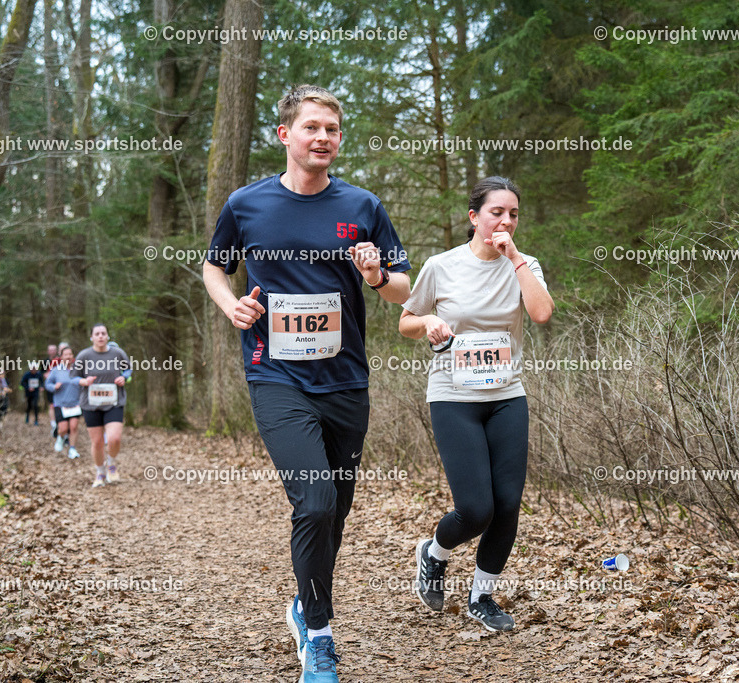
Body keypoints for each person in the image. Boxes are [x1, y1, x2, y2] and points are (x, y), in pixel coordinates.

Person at [203, 84, 411, 682]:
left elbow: (403, 287)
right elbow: (214, 265)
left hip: (345, 381)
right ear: (285, 135)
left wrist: (376, 276)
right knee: (314, 500)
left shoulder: (363, 206)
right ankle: (318, 634)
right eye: (313, 127)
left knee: (334, 512)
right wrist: (229, 305)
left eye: (333, 130)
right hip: (276, 374)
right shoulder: (247, 204)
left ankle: (304, 602)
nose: (324, 138)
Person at [399, 176, 554, 632]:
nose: (505, 221)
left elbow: (542, 314)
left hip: (507, 395)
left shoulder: (525, 264)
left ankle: (481, 598)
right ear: (474, 218)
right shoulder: (441, 266)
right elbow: (406, 321)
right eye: (495, 213)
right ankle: (434, 552)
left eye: (513, 214)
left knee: (507, 505)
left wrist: (516, 261)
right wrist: (428, 321)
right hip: (454, 397)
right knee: (476, 508)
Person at [71, 324, 129, 488]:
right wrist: (84, 381)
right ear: (92, 337)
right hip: (91, 404)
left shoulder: (117, 353)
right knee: (97, 443)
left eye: (103, 333)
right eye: (97, 334)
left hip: (114, 402)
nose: (101, 336)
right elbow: (74, 378)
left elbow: (128, 370)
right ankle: (100, 471)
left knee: (114, 438)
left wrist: (124, 377)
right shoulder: (84, 355)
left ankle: (111, 463)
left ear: (108, 336)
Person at [45, 345, 82, 459]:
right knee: (63, 429)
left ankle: (72, 449)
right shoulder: (56, 370)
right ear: (61, 357)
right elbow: (47, 384)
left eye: (70, 354)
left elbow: (84, 382)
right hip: (61, 404)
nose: (68, 357)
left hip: (75, 403)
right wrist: (54, 387)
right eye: (66, 355)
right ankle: (60, 438)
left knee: (74, 427)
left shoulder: (78, 369)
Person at [44, 344, 59, 437]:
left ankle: (60, 423)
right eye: (51, 350)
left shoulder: (60, 360)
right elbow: (41, 373)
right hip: (50, 385)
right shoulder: (45, 361)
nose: (52, 351)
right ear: (48, 351)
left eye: (54, 350)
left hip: (60, 386)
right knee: (51, 405)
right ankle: (53, 424)